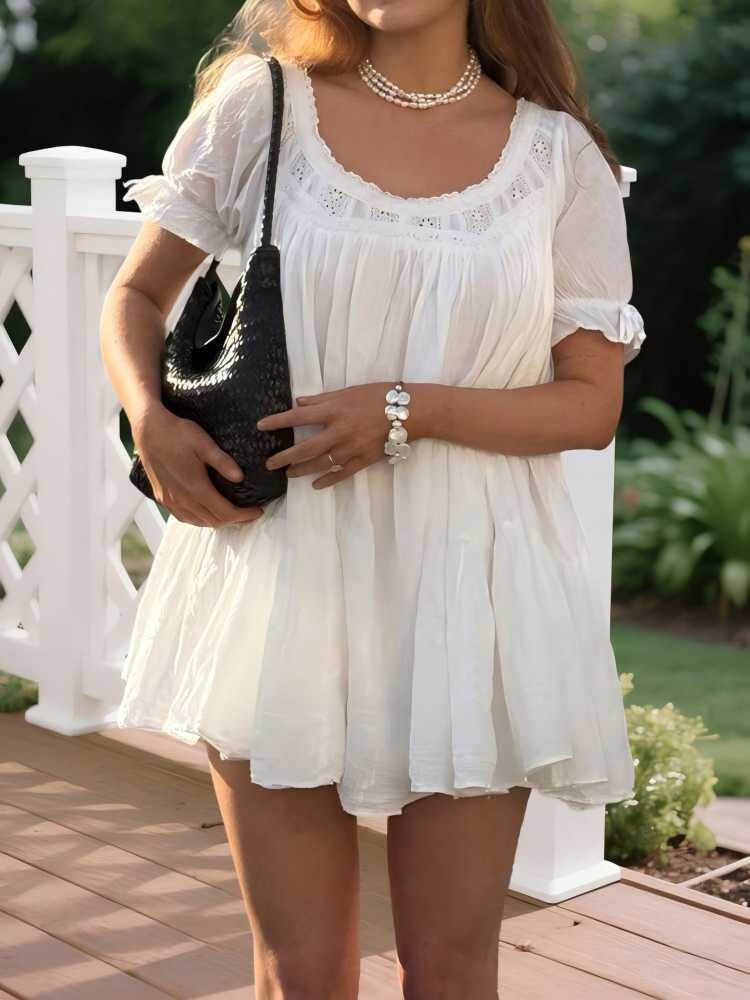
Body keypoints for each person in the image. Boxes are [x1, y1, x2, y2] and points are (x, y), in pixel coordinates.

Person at [99, 1, 646, 996]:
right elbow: (135, 297)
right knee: (299, 972)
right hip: (283, 575)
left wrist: (406, 409)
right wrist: (149, 418)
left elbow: (590, 403)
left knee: (450, 971)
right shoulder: (260, 108)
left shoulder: (558, 157)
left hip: (473, 590)